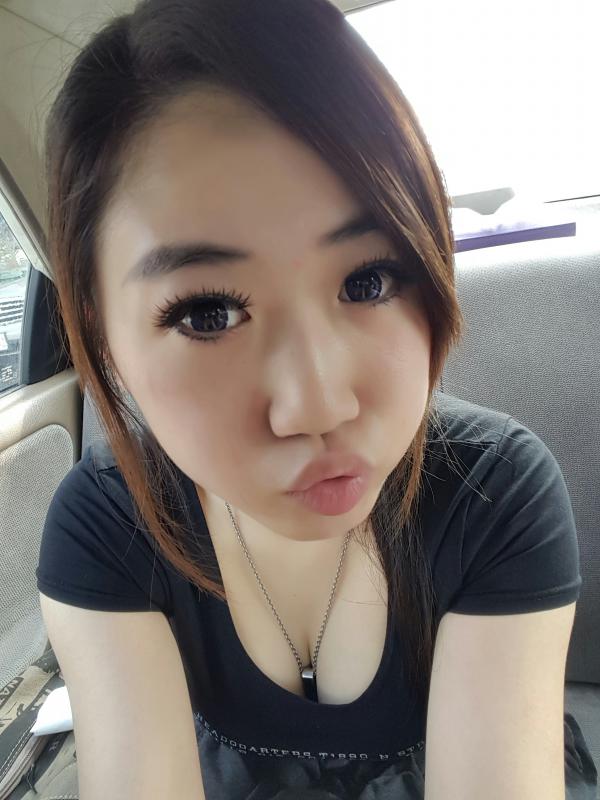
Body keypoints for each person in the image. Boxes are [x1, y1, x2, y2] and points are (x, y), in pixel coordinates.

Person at [36, 0, 596, 798]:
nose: (319, 407)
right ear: (102, 334)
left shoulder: (493, 492)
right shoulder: (108, 525)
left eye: (368, 281)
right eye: (207, 313)